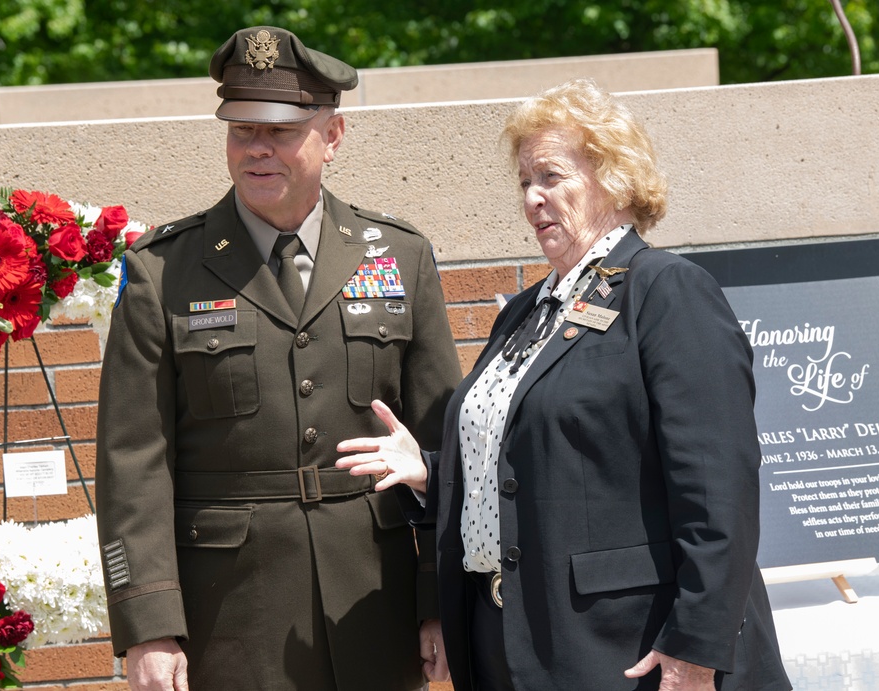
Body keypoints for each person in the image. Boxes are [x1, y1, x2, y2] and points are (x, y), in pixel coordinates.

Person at [337, 79, 792, 690]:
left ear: (614, 178)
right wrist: (430, 469)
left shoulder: (666, 292)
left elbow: (719, 493)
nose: (532, 198)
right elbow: (539, 468)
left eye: (551, 177)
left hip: (629, 648)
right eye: (525, 182)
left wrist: (697, 644)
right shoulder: (525, 312)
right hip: (512, 640)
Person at [95, 26, 461, 691]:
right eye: (241, 130)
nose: (256, 149)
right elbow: (133, 463)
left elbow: (441, 448)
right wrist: (148, 621)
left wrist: (439, 602)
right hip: (230, 614)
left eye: (281, 131)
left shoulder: (399, 256)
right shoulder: (163, 270)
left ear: (334, 135)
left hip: (374, 605)